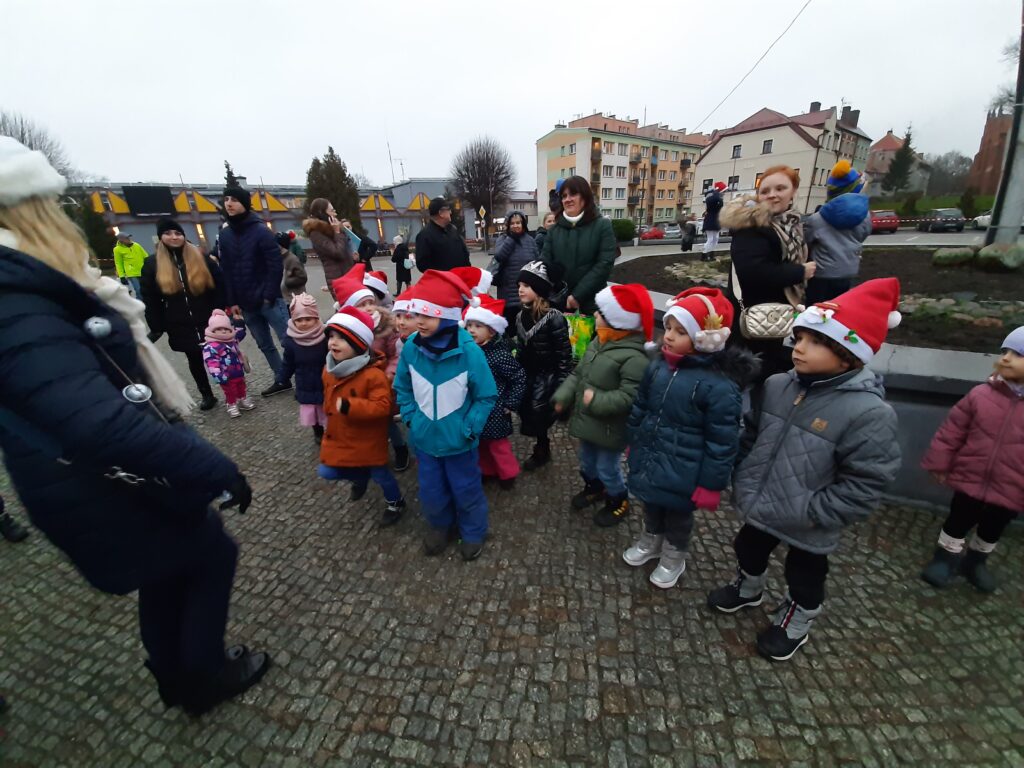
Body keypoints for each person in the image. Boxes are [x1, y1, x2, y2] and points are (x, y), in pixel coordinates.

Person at [0, 136, 267, 714]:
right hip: (102, 483)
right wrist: (212, 466)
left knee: (166, 571)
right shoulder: (16, 297)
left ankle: (176, 678)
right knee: (209, 556)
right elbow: (95, 421)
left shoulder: (23, 288)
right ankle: (203, 674)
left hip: (89, 481)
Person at [708, 279, 903, 662]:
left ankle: (797, 619)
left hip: (808, 519)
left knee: (806, 575)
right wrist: (742, 470)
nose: (797, 347)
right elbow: (752, 430)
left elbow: (866, 482)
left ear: (848, 353)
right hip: (763, 500)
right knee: (747, 546)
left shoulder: (869, 413)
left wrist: (816, 513)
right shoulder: (779, 384)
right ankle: (749, 588)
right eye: (798, 337)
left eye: (814, 342)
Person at [624, 288, 758, 588]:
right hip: (653, 454)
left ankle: (674, 553)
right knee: (652, 503)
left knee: (678, 516)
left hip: (686, 468)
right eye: (669, 327)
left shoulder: (719, 387)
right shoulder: (658, 366)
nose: (668, 336)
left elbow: (722, 441)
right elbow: (641, 405)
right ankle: (651, 538)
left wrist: (711, 484)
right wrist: (633, 437)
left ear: (703, 338)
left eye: (680, 331)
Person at [394, 270, 497, 560]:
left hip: (460, 443)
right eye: (417, 314)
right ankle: (440, 526)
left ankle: (473, 530)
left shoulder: (469, 352)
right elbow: (402, 387)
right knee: (431, 491)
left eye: (429, 315)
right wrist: (412, 418)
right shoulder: (412, 348)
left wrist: (470, 427)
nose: (420, 322)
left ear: (449, 316)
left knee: (466, 490)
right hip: (425, 442)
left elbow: (486, 395)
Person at [919, 326, 1024, 593]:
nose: (1006, 358)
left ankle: (976, 561)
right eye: (1005, 351)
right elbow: (952, 432)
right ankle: (945, 558)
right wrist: (940, 463)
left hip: (1013, 484)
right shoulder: (981, 395)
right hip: (971, 476)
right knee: (959, 519)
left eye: (1018, 354)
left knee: (994, 526)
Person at [553, 284, 654, 527]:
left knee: (608, 468)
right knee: (587, 462)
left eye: (600, 314)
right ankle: (594, 487)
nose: (595, 315)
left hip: (611, 429)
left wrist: (597, 400)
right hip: (589, 423)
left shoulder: (634, 358)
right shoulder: (599, 343)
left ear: (616, 323)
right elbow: (578, 374)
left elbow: (630, 397)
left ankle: (618, 499)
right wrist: (563, 395)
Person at [722, 165, 817, 389]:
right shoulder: (752, 226)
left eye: (780, 188)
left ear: (793, 191)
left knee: (762, 370)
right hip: (751, 314)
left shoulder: (789, 225)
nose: (772, 194)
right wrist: (799, 272)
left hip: (773, 313)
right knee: (746, 375)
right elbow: (752, 271)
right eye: (765, 191)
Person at [318, 307, 406, 527]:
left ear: (358, 345)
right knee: (327, 470)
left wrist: (351, 406)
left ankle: (396, 502)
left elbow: (382, 407)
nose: (333, 342)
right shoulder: (329, 370)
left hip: (367, 439)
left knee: (381, 475)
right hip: (341, 435)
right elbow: (329, 400)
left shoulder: (373, 375)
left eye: (341, 339)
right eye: (331, 337)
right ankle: (359, 478)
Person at [141, 218, 224, 411]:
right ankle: (206, 394)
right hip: (179, 322)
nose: (174, 237)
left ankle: (233, 391)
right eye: (168, 233)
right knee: (194, 359)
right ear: (161, 238)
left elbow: (218, 284)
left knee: (221, 355)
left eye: (178, 233)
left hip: (207, 318)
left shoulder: (200, 257)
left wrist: (221, 309)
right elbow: (150, 298)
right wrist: (157, 325)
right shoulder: (152, 264)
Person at [217, 185, 292, 397]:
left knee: (289, 341)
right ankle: (281, 378)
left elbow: (275, 266)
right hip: (245, 304)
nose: (229, 203)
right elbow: (227, 270)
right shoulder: (225, 236)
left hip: (268, 300)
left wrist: (268, 295)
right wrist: (232, 301)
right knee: (264, 345)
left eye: (234, 199)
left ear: (245, 204)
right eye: (226, 199)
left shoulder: (261, 231)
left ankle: (306, 377)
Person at [514, 261, 574, 471]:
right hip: (529, 374)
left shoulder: (554, 318)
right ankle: (542, 442)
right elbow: (521, 349)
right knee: (527, 410)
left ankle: (542, 448)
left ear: (539, 290)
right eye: (519, 284)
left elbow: (563, 356)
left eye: (527, 286)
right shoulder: (521, 316)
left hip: (547, 376)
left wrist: (562, 386)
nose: (520, 289)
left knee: (539, 413)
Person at [463, 295, 527, 489]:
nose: (472, 330)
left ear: (491, 331)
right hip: (474, 409)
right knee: (480, 443)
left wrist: (510, 403)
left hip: (496, 410)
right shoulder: (468, 351)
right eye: (469, 325)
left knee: (498, 446)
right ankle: (487, 470)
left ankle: (508, 474)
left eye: (478, 326)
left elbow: (518, 378)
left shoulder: (499, 355)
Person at [541, 175, 617, 314]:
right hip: (561, 305)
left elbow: (604, 264)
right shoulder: (554, 231)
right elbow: (545, 263)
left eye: (573, 194)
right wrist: (559, 293)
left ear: (585, 196)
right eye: (564, 196)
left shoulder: (602, 226)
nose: (568, 199)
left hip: (593, 304)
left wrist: (578, 295)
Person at [803, 161, 872, 304]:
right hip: (848, 272)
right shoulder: (865, 217)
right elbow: (863, 235)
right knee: (840, 310)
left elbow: (806, 241)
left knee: (815, 312)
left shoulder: (817, 219)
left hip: (821, 274)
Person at [279, 293, 329, 443]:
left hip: (324, 379)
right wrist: (283, 376)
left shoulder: (325, 336)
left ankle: (333, 430)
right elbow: (288, 362)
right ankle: (318, 432)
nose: (304, 323)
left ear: (316, 318)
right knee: (312, 411)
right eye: (299, 320)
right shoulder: (291, 340)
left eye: (308, 319)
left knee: (326, 407)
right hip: (304, 381)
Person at [490, 211, 539, 332]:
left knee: (528, 330)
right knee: (511, 332)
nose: (515, 225)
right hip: (508, 295)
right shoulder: (503, 239)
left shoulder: (530, 240)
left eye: (518, 222)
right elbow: (499, 256)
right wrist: (511, 238)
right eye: (512, 223)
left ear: (523, 224)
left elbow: (537, 262)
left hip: (528, 295)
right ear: (508, 225)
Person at [203, 309, 255, 418]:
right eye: (219, 329)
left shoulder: (232, 340)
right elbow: (211, 362)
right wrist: (217, 375)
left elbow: (240, 333)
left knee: (241, 386)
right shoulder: (211, 346)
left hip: (238, 371)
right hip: (225, 374)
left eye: (225, 329)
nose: (223, 332)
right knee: (230, 391)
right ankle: (231, 404)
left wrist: (239, 322)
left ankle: (242, 399)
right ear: (212, 331)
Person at [304, 199, 353, 297]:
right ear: (321, 213)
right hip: (338, 278)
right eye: (332, 210)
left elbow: (343, 249)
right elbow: (337, 252)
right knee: (347, 309)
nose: (335, 213)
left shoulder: (333, 229)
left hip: (349, 275)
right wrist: (337, 233)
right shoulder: (316, 233)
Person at [414, 198, 471, 272]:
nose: (450, 212)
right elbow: (422, 265)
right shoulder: (424, 236)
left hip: (460, 278)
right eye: (448, 209)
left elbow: (464, 253)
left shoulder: (453, 229)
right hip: (443, 281)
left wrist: (468, 270)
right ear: (441, 213)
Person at [112, 231, 149, 298]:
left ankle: (146, 303)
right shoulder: (117, 249)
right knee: (138, 290)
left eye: (129, 237)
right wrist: (122, 276)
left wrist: (149, 266)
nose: (129, 239)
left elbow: (145, 256)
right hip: (131, 273)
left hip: (142, 270)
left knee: (146, 289)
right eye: (127, 238)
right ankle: (141, 304)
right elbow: (118, 263)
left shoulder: (137, 245)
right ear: (121, 240)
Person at [277, 231, 308, 303]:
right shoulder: (280, 257)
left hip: (294, 298)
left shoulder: (292, 258)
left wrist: (285, 281)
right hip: (286, 297)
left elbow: (302, 277)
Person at [701, 182, 726, 261]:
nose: (724, 193)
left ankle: (711, 254)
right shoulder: (714, 197)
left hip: (715, 220)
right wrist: (717, 195)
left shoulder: (716, 197)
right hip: (711, 220)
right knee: (711, 239)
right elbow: (711, 202)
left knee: (715, 239)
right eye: (724, 191)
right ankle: (704, 255)